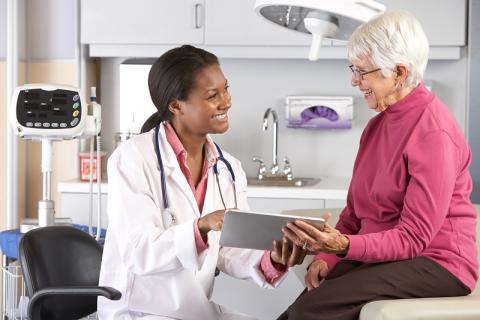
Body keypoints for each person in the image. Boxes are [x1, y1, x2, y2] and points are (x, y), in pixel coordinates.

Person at [278, 10, 478, 320]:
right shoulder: (376, 127)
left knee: (309, 312)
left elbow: (413, 239)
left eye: (362, 71)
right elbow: (354, 214)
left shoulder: (433, 133)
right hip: (389, 257)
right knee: (298, 308)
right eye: (352, 69)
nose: (354, 81)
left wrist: (343, 245)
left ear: (399, 72)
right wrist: (326, 259)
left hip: (437, 263)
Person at [98, 45, 307, 320]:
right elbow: (139, 251)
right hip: (140, 311)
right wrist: (201, 227)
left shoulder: (228, 168)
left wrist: (274, 259)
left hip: (194, 310)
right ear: (175, 105)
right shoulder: (133, 158)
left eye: (226, 89)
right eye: (212, 95)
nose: (226, 101)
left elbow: (231, 249)